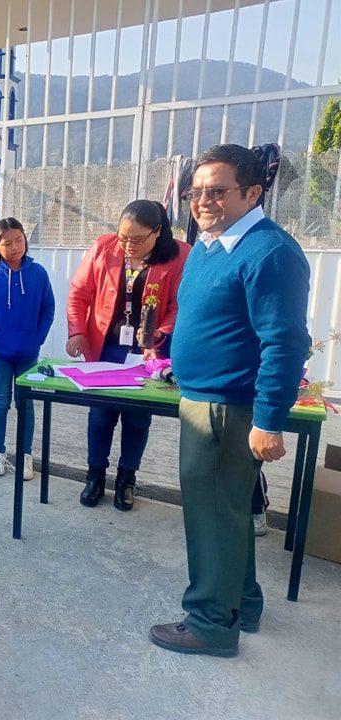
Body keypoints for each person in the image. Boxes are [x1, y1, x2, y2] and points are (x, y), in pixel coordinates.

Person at [150, 144, 310, 657]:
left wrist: (268, 420)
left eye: (217, 191)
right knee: (230, 511)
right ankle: (243, 601)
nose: (202, 201)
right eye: (195, 192)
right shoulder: (210, 245)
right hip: (202, 398)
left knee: (211, 515)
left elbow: (284, 342)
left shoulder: (269, 252)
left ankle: (212, 624)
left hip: (227, 411)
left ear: (253, 192)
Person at [66, 200, 191, 511]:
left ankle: (126, 481)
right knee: (100, 416)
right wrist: (76, 331)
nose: (128, 245)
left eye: (137, 239)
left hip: (147, 353)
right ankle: (94, 477)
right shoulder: (103, 247)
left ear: (157, 232)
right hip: (106, 347)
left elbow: (180, 304)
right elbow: (80, 292)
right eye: (123, 237)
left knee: (137, 419)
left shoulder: (179, 255)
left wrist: (160, 332)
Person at [0, 217, 55, 479]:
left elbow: (47, 309)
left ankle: (26, 455)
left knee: (26, 404)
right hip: (0, 353)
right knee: (1, 401)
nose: (15, 246)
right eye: (7, 243)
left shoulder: (38, 273)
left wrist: (37, 337)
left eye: (19, 240)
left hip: (29, 352)